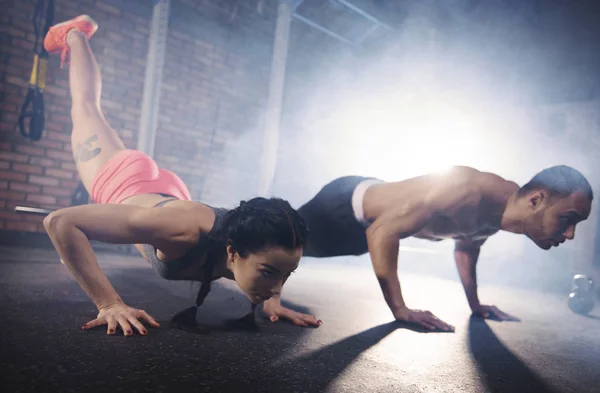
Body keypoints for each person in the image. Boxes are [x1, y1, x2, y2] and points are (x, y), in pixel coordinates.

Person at [41, 15, 321, 337]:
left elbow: (274, 256)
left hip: (170, 197)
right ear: (232, 252)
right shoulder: (182, 232)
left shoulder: (255, 243)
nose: (276, 286)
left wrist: (272, 302)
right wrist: (109, 304)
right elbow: (60, 222)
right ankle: (76, 34)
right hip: (124, 181)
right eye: (270, 273)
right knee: (86, 109)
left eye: (286, 275)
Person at [264, 165, 593, 331]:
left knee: (286, 251)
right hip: (344, 205)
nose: (571, 234)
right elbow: (383, 232)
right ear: (536, 200)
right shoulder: (466, 189)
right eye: (568, 219)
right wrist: (401, 310)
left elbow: (466, 248)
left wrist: (475, 304)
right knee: (266, 243)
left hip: (357, 235)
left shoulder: (501, 215)